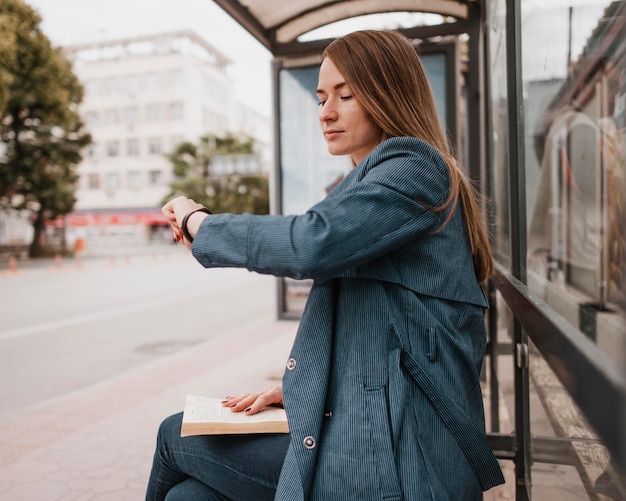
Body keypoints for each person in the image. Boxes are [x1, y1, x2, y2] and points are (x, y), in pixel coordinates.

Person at [147, 29, 505, 500]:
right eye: (320, 98)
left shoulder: (414, 167)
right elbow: (376, 325)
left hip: (398, 453)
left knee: (176, 436)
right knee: (187, 498)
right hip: (368, 424)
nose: (327, 112)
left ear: (388, 94)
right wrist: (297, 392)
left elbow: (310, 242)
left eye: (346, 94)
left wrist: (199, 222)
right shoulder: (370, 183)